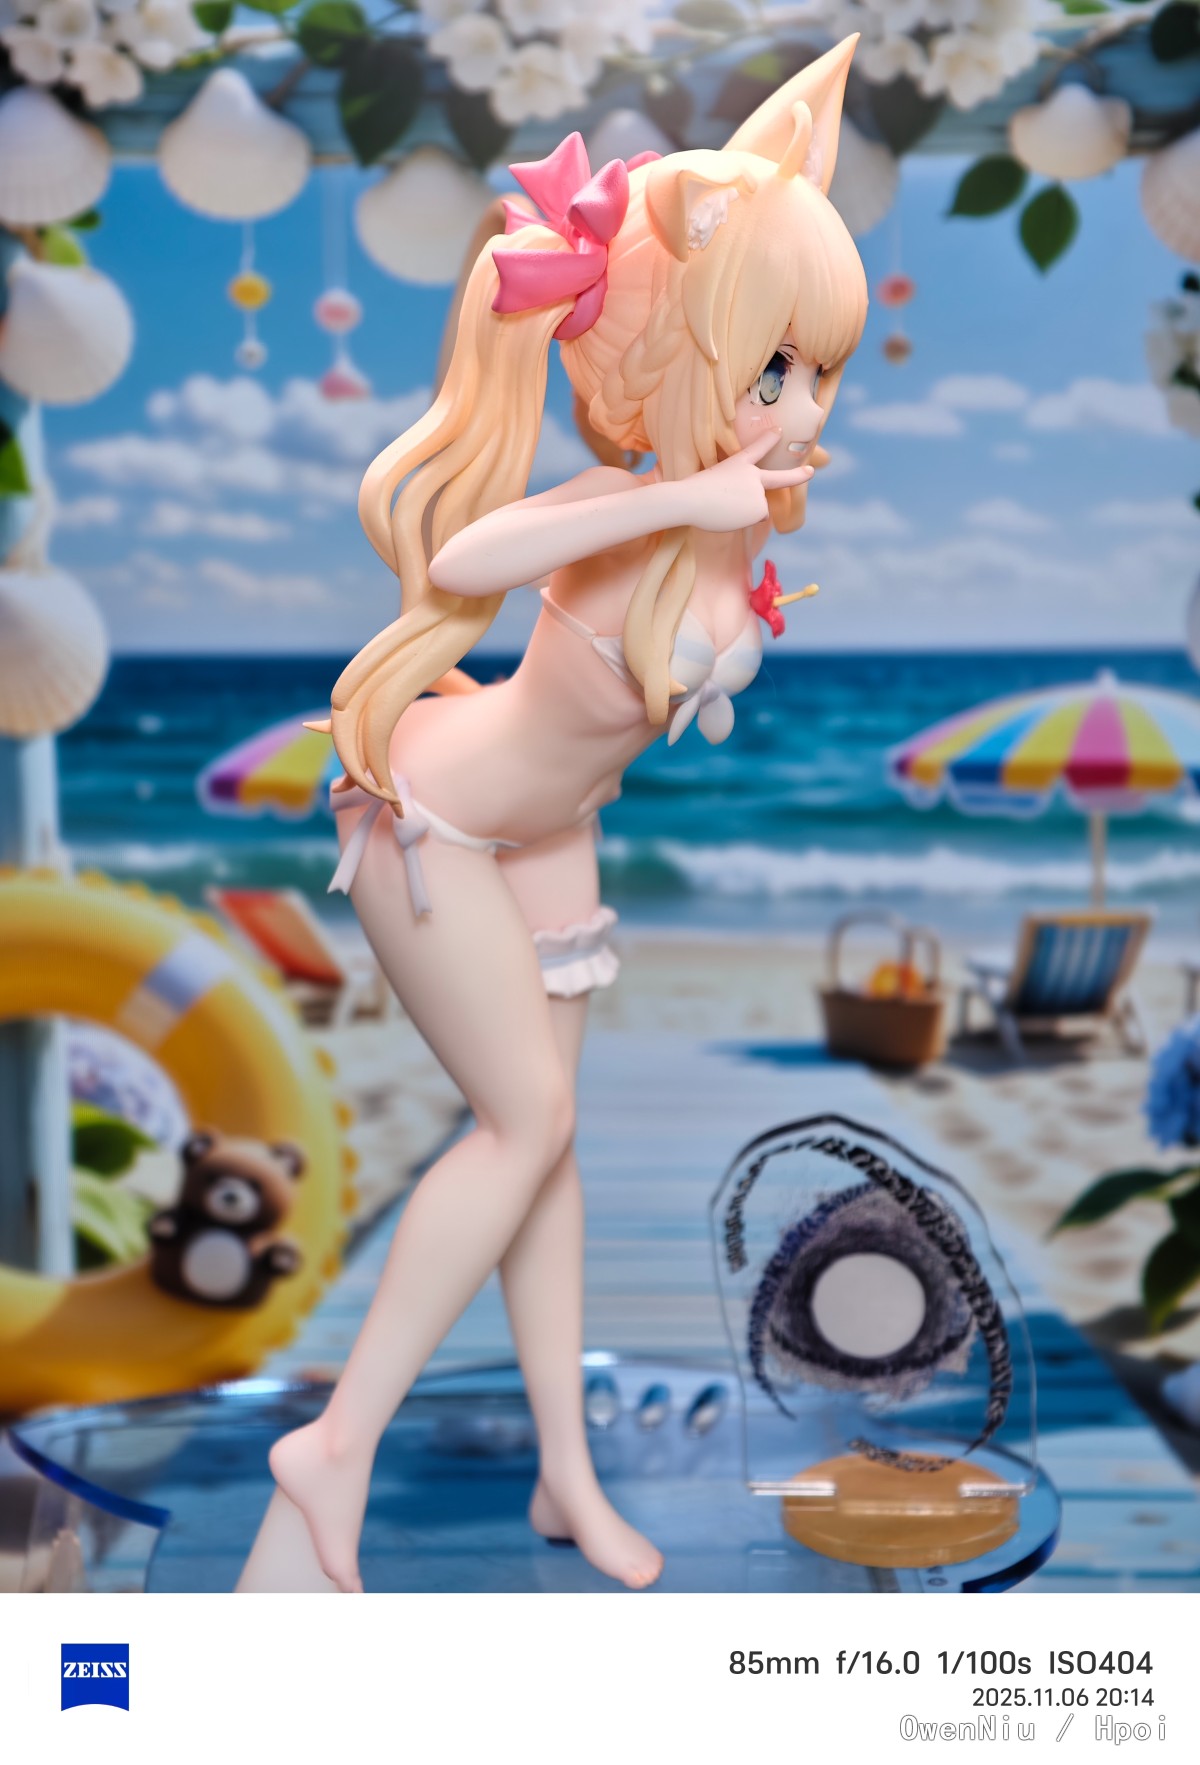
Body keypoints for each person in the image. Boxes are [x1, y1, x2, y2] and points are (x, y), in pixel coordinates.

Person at [243, 35, 868, 1594]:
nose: (801, 406)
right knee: (523, 1125)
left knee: (552, 1150)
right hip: (440, 817)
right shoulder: (628, 506)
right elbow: (462, 563)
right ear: (683, 359)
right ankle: (334, 1444)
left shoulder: (738, 521)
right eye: (773, 371)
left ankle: (565, 1475)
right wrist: (676, 499)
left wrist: (722, 516)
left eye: (817, 371)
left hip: (555, 830)